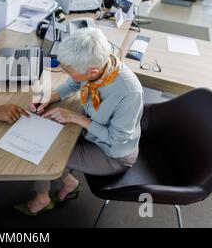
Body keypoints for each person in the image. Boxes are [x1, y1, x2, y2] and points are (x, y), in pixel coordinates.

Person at [15, 27, 143, 215]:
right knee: (47, 139)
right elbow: (76, 82)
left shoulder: (130, 92)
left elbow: (116, 140)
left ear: (91, 71)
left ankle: (42, 199)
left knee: (42, 154)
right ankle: (70, 182)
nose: (65, 73)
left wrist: (76, 118)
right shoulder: (101, 68)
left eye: (67, 70)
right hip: (90, 134)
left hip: (113, 154)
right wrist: (51, 97)